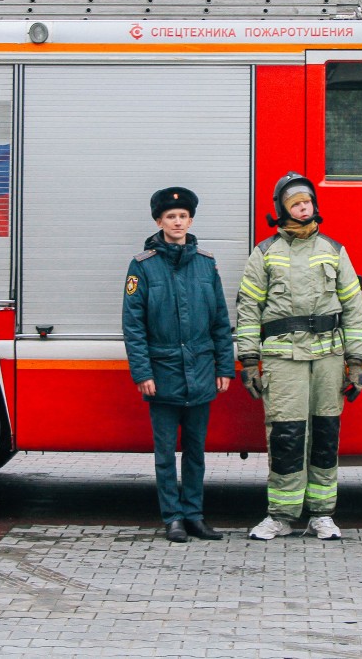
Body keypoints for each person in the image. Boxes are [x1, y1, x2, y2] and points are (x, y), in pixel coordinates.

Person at [237, 172, 362, 541]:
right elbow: (248, 309)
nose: (303, 206)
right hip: (283, 359)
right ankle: (280, 516)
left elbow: (354, 306)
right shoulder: (264, 254)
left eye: (307, 200)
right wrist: (248, 361)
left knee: (326, 435)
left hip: (328, 357)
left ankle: (322, 515)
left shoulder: (334, 250)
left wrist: (356, 362)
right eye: (295, 202)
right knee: (287, 437)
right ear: (282, 208)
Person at [122, 187, 235, 542]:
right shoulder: (142, 266)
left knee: (196, 453)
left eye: (183, 216)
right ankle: (172, 518)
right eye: (170, 217)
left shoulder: (205, 263)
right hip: (163, 373)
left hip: (201, 373)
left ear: (191, 220)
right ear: (159, 221)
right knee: (166, 454)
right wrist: (143, 373)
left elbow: (220, 319)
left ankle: (195, 516)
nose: (177, 222)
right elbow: (133, 324)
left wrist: (224, 367)